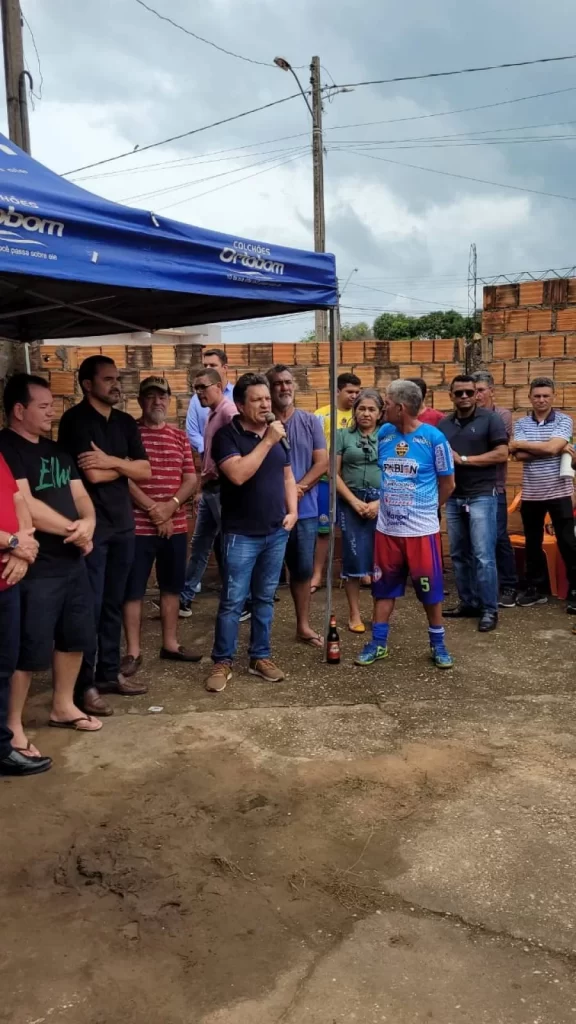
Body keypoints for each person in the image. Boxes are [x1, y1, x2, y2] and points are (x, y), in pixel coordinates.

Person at [0, 374, 102, 754]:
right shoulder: (7, 448)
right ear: (19, 410)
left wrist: (88, 524)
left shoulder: (56, 451)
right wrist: (75, 531)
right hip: (35, 566)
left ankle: (63, 705)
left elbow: (81, 495)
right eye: (43, 406)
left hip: (72, 562)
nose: (51, 412)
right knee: (27, 649)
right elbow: (23, 503)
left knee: (75, 638)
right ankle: (12, 726)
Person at [58, 356, 151, 716]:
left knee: (113, 603)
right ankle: (85, 686)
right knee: (90, 608)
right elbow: (90, 478)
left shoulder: (125, 422)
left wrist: (111, 462)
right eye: (109, 379)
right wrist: (123, 466)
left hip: (123, 526)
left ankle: (110, 674)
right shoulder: (75, 421)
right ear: (87, 384)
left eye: (117, 378)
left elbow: (144, 471)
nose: (116, 384)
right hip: (92, 530)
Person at [205, 372, 297, 693]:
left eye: (267, 399)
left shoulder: (277, 435)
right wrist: (268, 440)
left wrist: (293, 511)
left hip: (276, 532)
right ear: (240, 405)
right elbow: (239, 474)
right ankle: (223, 660)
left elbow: (287, 475)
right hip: (240, 534)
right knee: (233, 600)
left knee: (265, 599)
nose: (265, 405)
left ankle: (260, 656)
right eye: (257, 400)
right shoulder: (226, 437)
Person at [355, 380, 455, 668]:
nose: (382, 407)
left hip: (421, 533)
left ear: (400, 408)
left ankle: (438, 644)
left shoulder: (434, 439)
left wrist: (426, 508)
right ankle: (378, 643)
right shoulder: (385, 433)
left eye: (386, 403)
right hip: (388, 531)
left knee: (430, 591)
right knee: (383, 589)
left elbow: (448, 484)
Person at [122, 376, 201, 675]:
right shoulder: (129, 433)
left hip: (175, 524)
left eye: (162, 395)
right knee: (133, 589)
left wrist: (170, 508)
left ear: (170, 399)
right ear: (140, 400)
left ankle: (170, 644)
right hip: (138, 526)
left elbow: (191, 478)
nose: (157, 401)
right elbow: (125, 477)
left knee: (172, 586)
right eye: (150, 396)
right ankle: (132, 651)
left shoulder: (180, 436)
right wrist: (153, 510)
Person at [438, 374, 509, 633]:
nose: (465, 397)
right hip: (455, 496)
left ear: (477, 394)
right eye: (460, 393)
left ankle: (489, 609)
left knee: (483, 555)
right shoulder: (444, 425)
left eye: (470, 392)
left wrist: (464, 460)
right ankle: (468, 602)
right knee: (458, 554)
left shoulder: (491, 420)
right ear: (451, 395)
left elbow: (503, 453)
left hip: (482, 494)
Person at [266, 364, 328, 647]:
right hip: (268, 511)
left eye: (288, 382)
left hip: (305, 510)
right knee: (265, 573)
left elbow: (323, 462)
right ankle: (261, 634)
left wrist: (299, 488)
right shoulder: (261, 424)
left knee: (302, 570)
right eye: (277, 383)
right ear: (269, 388)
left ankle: (303, 625)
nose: (284, 388)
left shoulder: (310, 421)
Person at [0, 451, 51, 776]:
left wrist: (23, 551)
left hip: (7, 580)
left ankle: (2, 748)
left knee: (3, 668)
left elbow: (18, 500)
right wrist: (11, 541)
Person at [510, 377, 576, 611]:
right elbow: (518, 456)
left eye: (546, 396)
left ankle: (575, 590)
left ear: (553, 397)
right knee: (533, 543)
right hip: (532, 493)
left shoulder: (565, 420)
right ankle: (535, 589)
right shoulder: (521, 424)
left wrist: (524, 445)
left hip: (560, 491)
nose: (541, 400)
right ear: (529, 398)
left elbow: (547, 447)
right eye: (537, 396)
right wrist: (552, 448)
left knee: (568, 542)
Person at [180, 367, 237, 616]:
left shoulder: (228, 411)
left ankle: (239, 601)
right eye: (196, 388)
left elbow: (238, 449)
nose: (199, 392)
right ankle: (185, 595)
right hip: (210, 490)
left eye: (203, 387)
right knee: (200, 543)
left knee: (229, 547)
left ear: (218, 386)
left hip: (223, 490)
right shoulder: (213, 413)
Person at [336, 389, 383, 633]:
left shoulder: (388, 436)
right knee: (353, 558)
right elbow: (333, 473)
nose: (366, 413)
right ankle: (354, 613)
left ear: (380, 413)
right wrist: (354, 502)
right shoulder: (342, 435)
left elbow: (396, 473)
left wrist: (379, 503)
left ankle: (379, 612)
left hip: (380, 504)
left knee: (380, 560)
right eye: (361, 408)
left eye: (371, 409)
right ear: (354, 411)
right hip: (350, 502)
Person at [472, 370, 519, 607]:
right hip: (469, 487)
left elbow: (500, 450)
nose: (476, 395)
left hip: (494, 486)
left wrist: (469, 454)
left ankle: (509, 584)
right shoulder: (467, 416)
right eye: (473, 391)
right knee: (475, 542)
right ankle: (482, 588)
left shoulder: (501, 415)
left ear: (492, 391)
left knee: (499, 536)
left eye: (480, 390)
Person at [311, 372, 361, 592]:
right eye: (350, 392)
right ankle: (317, 574)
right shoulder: (321, 416)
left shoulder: (361, 415)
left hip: (352, 483)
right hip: (324, 481)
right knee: (324, 530)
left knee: (356, 529)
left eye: (358, 392)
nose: (354, 396)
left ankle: (360, 572)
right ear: (337, 391)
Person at [185, 348, 234, 453]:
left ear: (225, 368)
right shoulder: (196, 399)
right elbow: (192, 433)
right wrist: (209, 448)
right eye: (205, 366)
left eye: (212, 365)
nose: (208, 369)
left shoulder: (237, 395)